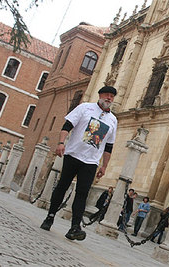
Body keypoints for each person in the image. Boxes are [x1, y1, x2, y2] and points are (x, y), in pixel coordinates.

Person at [40, 86, 118, 241]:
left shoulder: (113, 120)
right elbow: (66, 126)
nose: (109, 98)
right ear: (100, 95)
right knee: (62, 185)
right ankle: (50, 216)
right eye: (107, 95)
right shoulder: (85, 108)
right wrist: (61, 143)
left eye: (112, 96)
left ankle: (75, 227)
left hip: (91, 162)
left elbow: (109, 146)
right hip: (73, 155)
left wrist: (104, 165)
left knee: (82, 193)